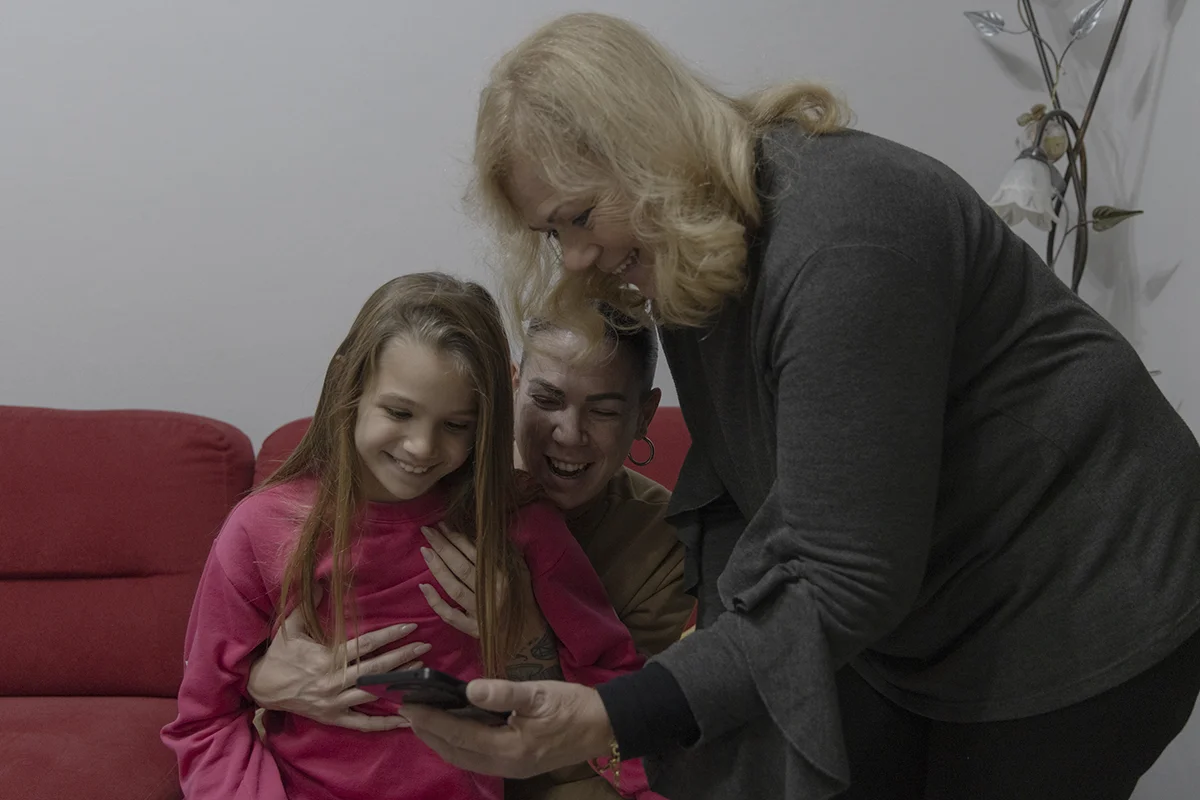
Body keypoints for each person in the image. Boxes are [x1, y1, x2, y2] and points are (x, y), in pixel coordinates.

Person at [401, 12, 1200, 800]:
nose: (575, 256)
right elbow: (750, 500)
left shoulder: (844, 236)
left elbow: (846, 575)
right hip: (921, 603)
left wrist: (615, 715)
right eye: (551, 233)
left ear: (648, 149)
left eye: (579, 216)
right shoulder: (690, 245)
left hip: (1085, 589)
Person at [161, 273, 663, 799]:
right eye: (399, 412)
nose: (422, 447)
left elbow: (613, 682)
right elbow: (205, 721)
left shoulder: (521, 522)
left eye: (456, 425)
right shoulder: (261, 529)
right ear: (348, 385)